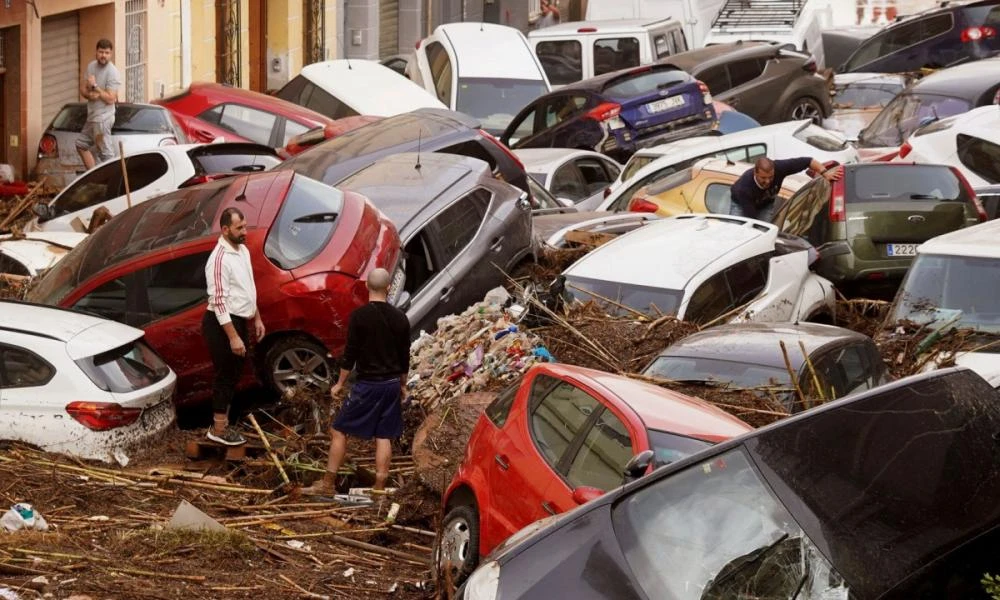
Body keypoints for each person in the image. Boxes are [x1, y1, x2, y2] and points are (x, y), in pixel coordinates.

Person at [302, 268, 410, 495]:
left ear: (367, 287)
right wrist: (402, 385)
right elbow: (404, 357)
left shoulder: (359, 317)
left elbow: (349, 355)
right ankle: (379, 487)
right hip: (390, 385)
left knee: (339, 430)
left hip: (368, 386)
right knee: (384, 435)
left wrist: (340, 384)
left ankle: (328, 483)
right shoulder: (400, 318)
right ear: (389, 287)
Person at [203, 207, 265, 446]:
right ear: (225, 229)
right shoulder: (218, 259)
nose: (244, 232)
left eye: (245, 226)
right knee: (226, 374)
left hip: (240, 319)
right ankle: (218, 430)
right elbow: (218, 301)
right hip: (222, 324)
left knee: (236, 372)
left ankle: (224, 423)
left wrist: (256, 317)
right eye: (239, 228)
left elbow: (248, 287)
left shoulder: (243, 251)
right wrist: (233, 337)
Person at [730, 157, 843, 222]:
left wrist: (825, 173)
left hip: (766, 203)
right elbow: (752, 220)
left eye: (771, 177)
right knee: (741, 232)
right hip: (741, 204)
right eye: (763, 178)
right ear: (755, 173)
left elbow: (809, 161)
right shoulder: (744, 188)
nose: (768, 181)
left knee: (764, 232)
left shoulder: (781, 167)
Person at [77, 39, 121, 170]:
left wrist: (95, 87)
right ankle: (94, 177)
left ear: (111, 54)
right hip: (92, 116)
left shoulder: (113, 72)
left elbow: (111, 98)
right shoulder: (91, 66)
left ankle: (113, 184)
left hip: (103, 119)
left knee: (107, 155)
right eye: (101, 52)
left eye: (107, 53)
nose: (103, 55)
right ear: (96, 52)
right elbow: (83, 89)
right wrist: (89, 94)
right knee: (80, 145)